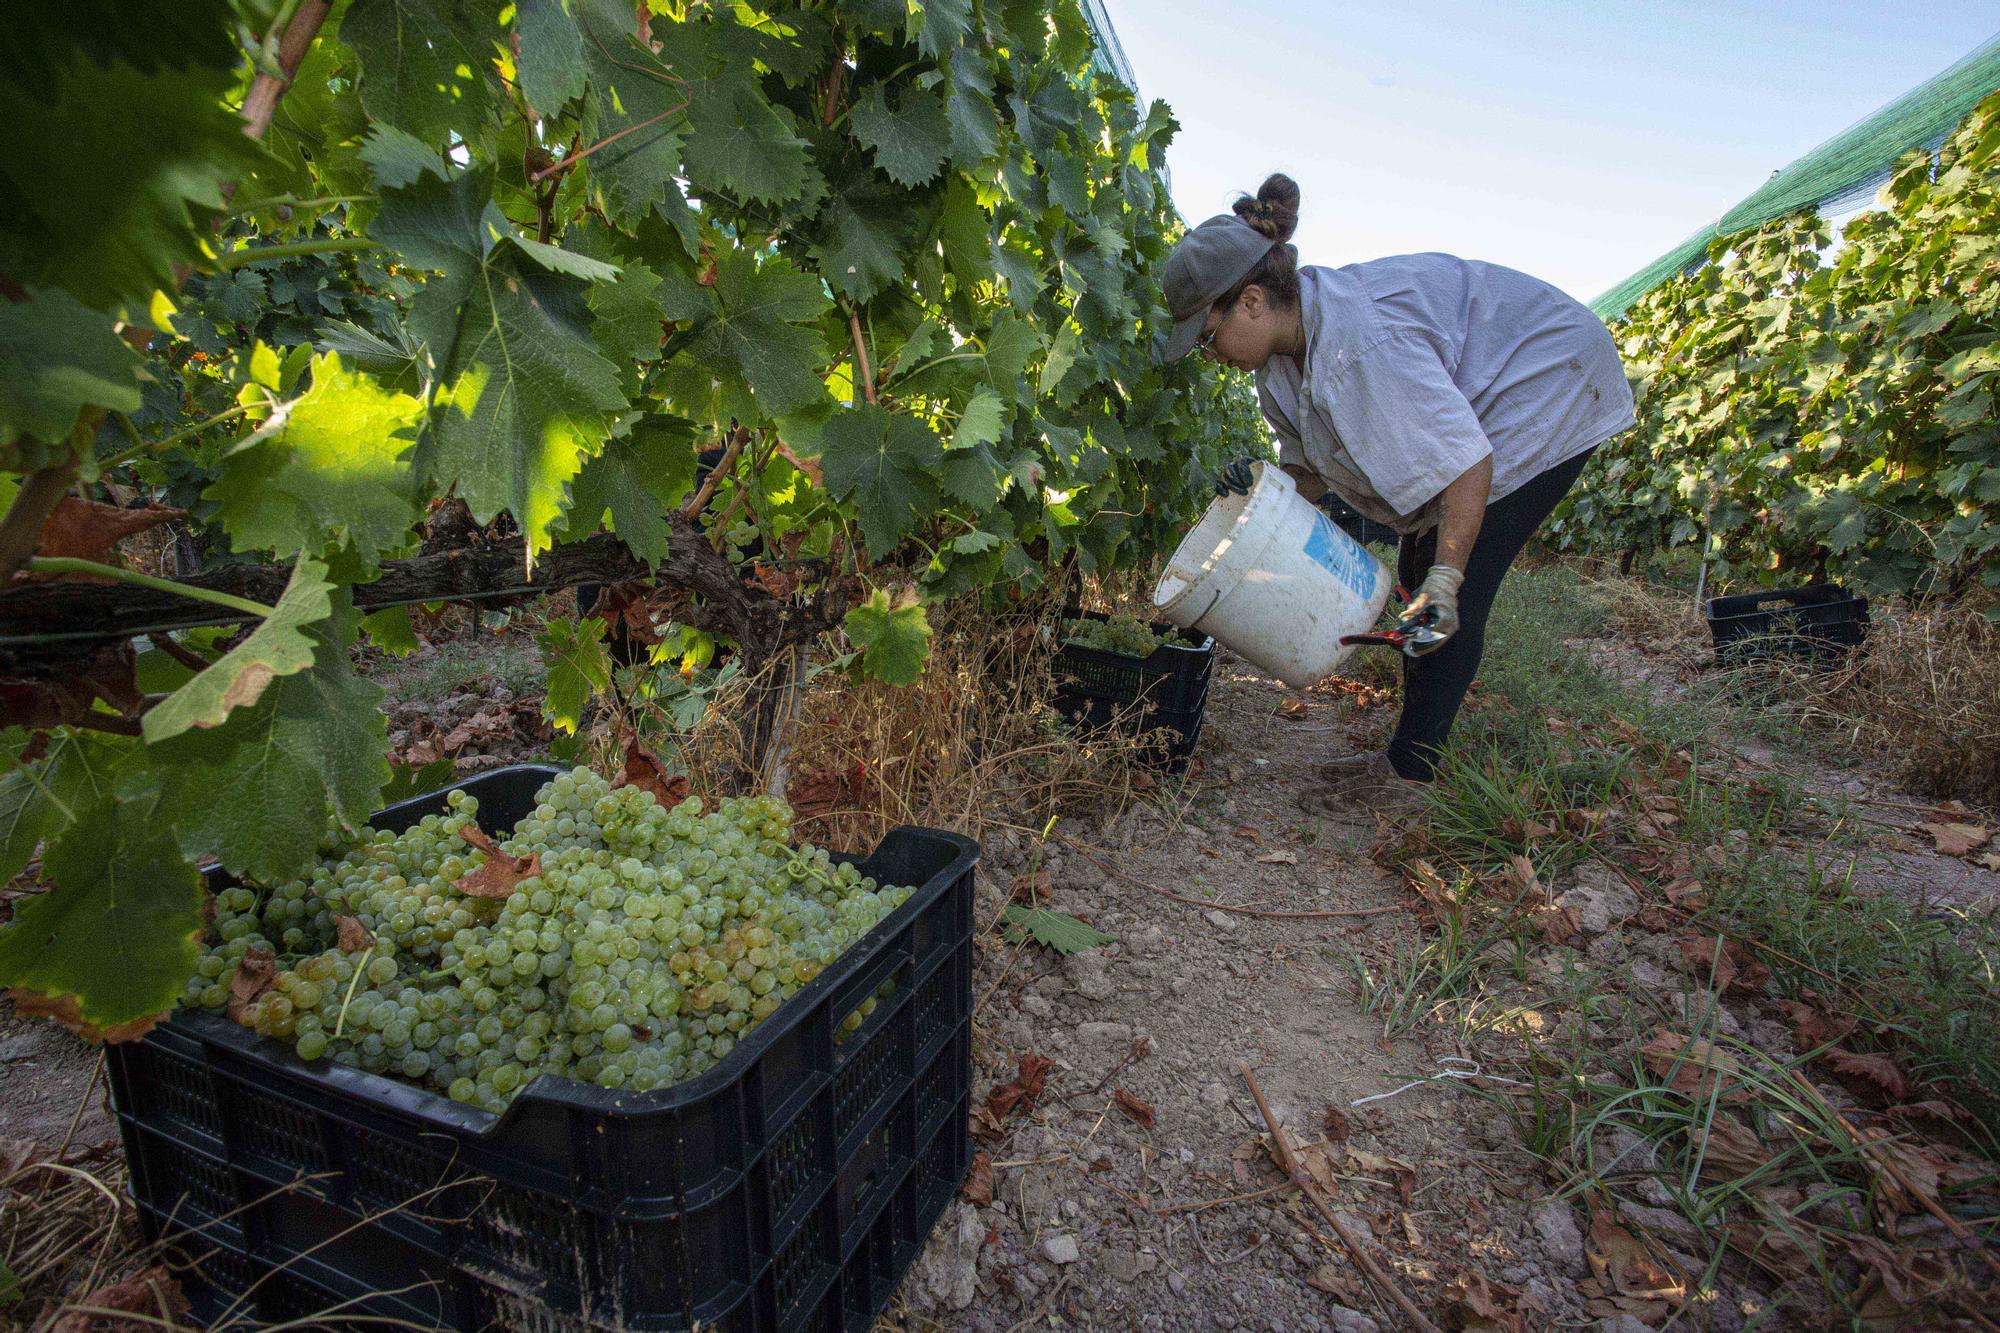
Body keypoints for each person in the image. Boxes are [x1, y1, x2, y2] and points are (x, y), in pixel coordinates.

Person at [1156, 174, 1634, 812]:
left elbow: (1467, 466)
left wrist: (1446, 578)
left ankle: (1410, 777)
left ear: (1249, 302)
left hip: (1549, 384)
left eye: (1208, 337)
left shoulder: (1362, 347)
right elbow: (1309, 475)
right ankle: (1409, 754)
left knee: (1447, 586)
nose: (1209, 354)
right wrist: (1262, 492)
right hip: (1496, 404)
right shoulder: (1279, 361)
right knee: (1418, 574)